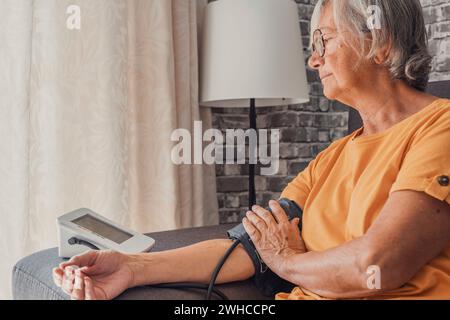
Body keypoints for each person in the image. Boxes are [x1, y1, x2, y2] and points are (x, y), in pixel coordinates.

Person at [53, 0, 450, 300]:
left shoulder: (440, 127)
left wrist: (288, 262)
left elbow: (375, 265)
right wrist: (132, 267)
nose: (314, 60)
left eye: (323, 41)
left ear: (379, 43)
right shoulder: (332, 158)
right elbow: (249, 246)